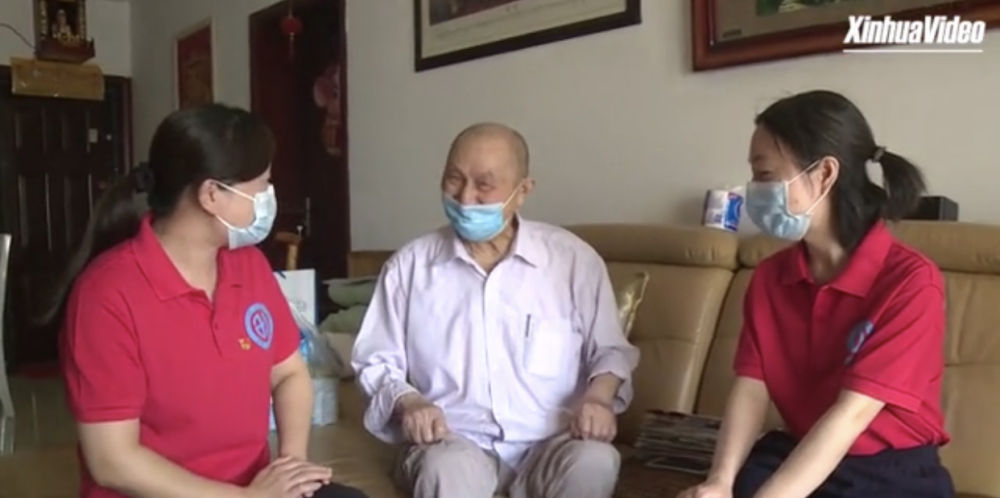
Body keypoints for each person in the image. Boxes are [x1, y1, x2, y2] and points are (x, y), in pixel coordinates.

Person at [52, 104, 367, 498]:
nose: (268, 199)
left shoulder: (249, 266)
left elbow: (289, 373)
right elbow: (112, 460)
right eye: (262, 186)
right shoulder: (106, 295)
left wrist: (291, 466)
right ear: (212, 194)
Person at [678, 90, 953, 498]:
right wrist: (719, 481)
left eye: (765, 175)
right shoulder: (770, 277)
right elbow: (751, 387)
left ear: (824, 173)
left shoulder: (911, 282)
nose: (754, 191)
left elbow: (852, 415)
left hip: (889, 469)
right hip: (800, 448)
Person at [351, 122, 640, 498]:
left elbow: (610, 351)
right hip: (454, 442)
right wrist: (411, 402)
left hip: (553, 442)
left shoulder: (573, 261)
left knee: (595, 460)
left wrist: (598, 399)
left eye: (484, 185)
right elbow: (375, 361)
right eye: (454, 180)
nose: (465, 197)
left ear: (523, 191)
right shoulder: (409, 267)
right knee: (443, 469)